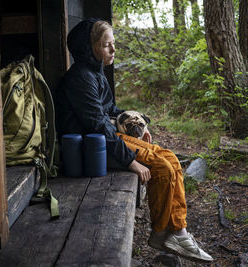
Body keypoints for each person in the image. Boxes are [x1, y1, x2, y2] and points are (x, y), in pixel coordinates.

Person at [55, 18, 213, 263]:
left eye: (113, 44)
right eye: (107, 45)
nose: (113, 50)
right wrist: (131, 161)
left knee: (171, 158)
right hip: (92, 147)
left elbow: (110, 109)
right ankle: (160, 234)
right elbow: (96, 124)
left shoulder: (95, 74)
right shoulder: (81, 78)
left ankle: (179, 231)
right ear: (89, 48)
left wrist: (135, 120)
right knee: (160, 167)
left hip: (106, 138)